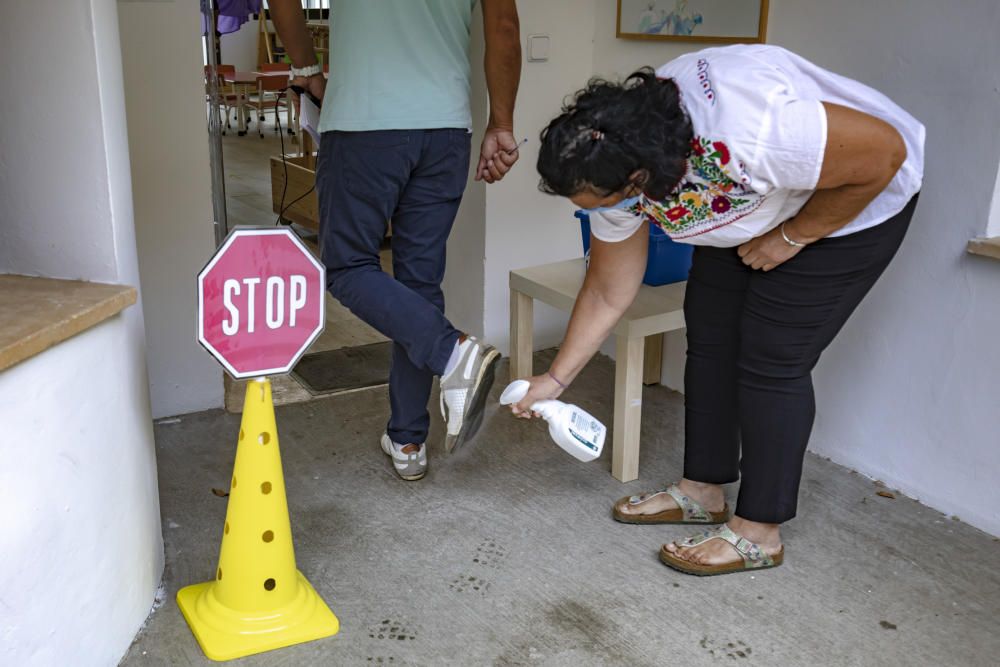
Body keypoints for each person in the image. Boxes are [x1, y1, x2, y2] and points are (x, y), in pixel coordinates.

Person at [514, 44, 924, 576]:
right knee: (708, 336)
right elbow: (608, 288)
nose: (594, 213)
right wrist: (556, 378)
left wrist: (793, 237)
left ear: (639, 179)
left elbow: (883, 154)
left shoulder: (750, 129)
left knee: (771, 357)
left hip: (854, 202)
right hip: (754, 204)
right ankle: (701, 490)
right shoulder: (616, 163)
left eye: (599, 203)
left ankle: (760, 531)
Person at [269, 0, 522, 481]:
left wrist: (307, 69)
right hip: (446, 129)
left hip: (364, 123)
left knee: (347, 267)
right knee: (419, 283)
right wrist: (502, 122)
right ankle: (408, 438)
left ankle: (454, 353)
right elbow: (504, 26)